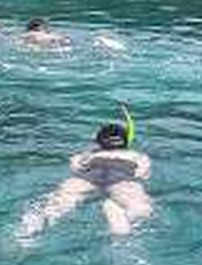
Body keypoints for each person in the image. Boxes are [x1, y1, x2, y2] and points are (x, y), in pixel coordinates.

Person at [18, 102, 152, 239]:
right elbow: (143, 174)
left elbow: (75, 167)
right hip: (121, 177)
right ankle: (114, 210)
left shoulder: (85, 155)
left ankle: (31, 229)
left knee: (57, 207)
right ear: (126, 142)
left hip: (87, 176)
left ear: (98, 142)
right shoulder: (138, 156)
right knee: (141, 211)